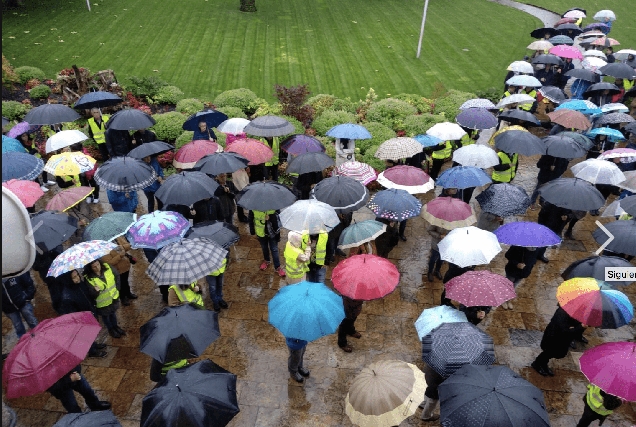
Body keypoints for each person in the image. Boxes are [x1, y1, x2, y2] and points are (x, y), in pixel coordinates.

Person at [58, 270, 108, 358]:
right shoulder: (67, 296)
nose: (77, 278)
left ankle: (94, 345)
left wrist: (95, 292)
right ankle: (92, 351)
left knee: (92, 333)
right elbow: (72, 313)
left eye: (77, 275)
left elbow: (88, 295)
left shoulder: (80, 284)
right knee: (87, 336)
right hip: (83, 318)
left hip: (90, 312)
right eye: (74, 277)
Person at [531, 305, 585, 376]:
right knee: (549, 352)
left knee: (551, 353)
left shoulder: (573, 311)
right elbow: (565, 331)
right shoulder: (562, 313)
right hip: (554, 338)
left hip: (561, 339)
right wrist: (580, 327)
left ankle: (543, 363)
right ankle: (537, 364)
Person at [84, 260, 125, 339]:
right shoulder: (89, 278)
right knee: (106, 317)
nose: (97, 268)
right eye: (94, 267)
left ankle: (116, 327)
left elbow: (116, 276)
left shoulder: (107, 267)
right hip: (102, 303)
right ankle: (111, 329)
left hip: (113, 297)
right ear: (90, 268)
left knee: (113, 313)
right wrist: (95, 291)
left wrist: (117, 288)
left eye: (98, 265)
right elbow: (90, 294)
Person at [100, 236, 137, 306]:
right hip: (117, 269)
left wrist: (121, 247)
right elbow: (109, 262)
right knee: (120, 283)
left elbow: (128, 245)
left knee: (125, 281)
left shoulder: (117, 237)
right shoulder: (102, 248)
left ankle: (128, 293)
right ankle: (123, 298)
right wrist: (120, 255)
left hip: (125, 265)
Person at [249, 210, 286, 277]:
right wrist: (252, 231)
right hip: (261, 233)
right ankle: (267, 260)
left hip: (272, 233)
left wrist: (271, 217)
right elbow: (250, 218)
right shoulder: (254, 207)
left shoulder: (274, 205)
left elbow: (279, 217)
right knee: (264, 248)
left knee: (274, 249)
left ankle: (277, 267)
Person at [2, 272, 38, 339]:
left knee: (32, 321)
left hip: (23, 302)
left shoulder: (15, 269)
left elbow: (28, 282)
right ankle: (23, 343)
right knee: (18, 327)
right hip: (8, 308)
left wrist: (27, 296)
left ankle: (39, 336)